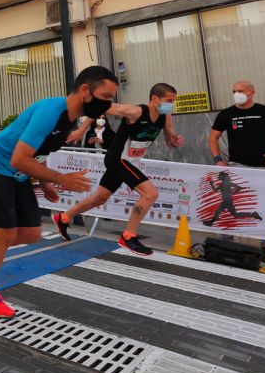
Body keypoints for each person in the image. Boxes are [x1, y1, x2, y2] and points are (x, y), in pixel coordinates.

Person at [0, 66, 110, 318]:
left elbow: (34, 153)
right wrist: (60, 179)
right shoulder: (51, 111)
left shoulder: (68, 119)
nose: (108, 104)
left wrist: (46, 182)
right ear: (85, 91)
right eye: (105, 96)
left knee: (30, 233)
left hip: (17, 172)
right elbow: (19, 158)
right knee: (5, 234)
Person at [53, 83, 186, 255]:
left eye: (173, 101)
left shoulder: (166, 116)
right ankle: (129, 236)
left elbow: (170, 141)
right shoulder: (136, 112)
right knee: (150, 194)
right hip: (118, 159)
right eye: (169, 100)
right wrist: (80, 130)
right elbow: (98, 108)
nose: (171, 104)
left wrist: (175, 142)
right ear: (155, 99)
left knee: (99, 198)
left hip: (131, 161)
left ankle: (64, 217)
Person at [209, 81, 265, 169]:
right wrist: (217, 159)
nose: (236, 94)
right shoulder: (225, 114)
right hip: (237, 166)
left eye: (240, 91)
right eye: (234, 91)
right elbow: (213, 137)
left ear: (252, 92)